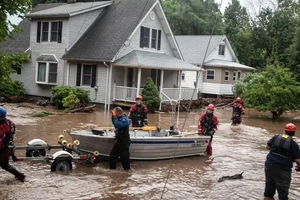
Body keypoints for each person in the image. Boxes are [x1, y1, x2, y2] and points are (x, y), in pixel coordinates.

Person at [264, 123, 300, 200]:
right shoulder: (294, 144)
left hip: (269, 165)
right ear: (294, 132)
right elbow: (298, 161)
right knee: (283, 192)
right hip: (283, 170)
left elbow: (267, 147)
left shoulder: (276, 137)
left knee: (268, 192)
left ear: (285, 131)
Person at [0, 107, 25, 182]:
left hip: (4, 149)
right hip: (8, 147)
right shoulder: (9, 122)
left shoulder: (2, 126)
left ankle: (20, 175)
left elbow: (0, 139)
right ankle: (20, 176)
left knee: (4, 165)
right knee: (5, 165)